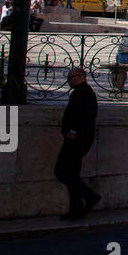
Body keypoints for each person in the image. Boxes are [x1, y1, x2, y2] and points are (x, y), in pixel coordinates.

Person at [54, 66, 100, 220]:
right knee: (71, 173)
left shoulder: (84, 93)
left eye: (72, 77)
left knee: (61, 171)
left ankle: (89, 196)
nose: (70, 80)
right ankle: (76, 209)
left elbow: (83, 117)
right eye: (69, 77)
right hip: (78, 138)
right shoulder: (81, 93)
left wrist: (72, 132)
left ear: (81, 77)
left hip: (77, 139)